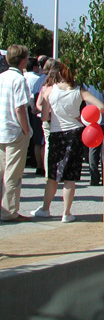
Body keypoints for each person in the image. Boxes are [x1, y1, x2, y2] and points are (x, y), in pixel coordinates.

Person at [31, 62, 104, 222]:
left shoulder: (49, 91)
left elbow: (44, 117)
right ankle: (66, 212)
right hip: (75, 133)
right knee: (70, 176)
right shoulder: (79, 90)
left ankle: (45, 208)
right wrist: (82, 117)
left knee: (52, 175)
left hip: (57, 134)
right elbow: (100, 106)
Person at [0, 45, 32, 222]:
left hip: (1, 129)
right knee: (12, 175)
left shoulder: (1, 77)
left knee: (2, 173)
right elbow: (20, 108)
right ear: (23, 60)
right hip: (14, 131)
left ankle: (3, 208)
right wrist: (26, 130)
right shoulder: (19, 80)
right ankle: (9, 211)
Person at [24, 57, 43, 175]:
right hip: (36, 110)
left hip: (31, 109)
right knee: (41, 141)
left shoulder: (24, 77)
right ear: (35, 67)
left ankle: (35, 163)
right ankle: (40, 165)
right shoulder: (37, 79)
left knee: (36, 140)